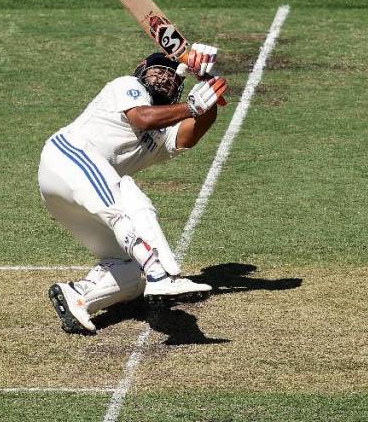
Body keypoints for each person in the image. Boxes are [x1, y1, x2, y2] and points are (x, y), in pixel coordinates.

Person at [38, 44, 228, 334]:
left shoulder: (163, 134)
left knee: (130, 267)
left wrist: (207, 88)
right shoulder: (125, 85)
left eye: (174, 78)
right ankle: (160, 274)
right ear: (142, 69)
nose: (165, 78)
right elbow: (142, 118)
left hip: (75, 202)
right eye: (158, 70)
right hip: (66, 158)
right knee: (125, 192)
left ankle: (78, 296)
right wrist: (191, 105)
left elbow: (192, 134)